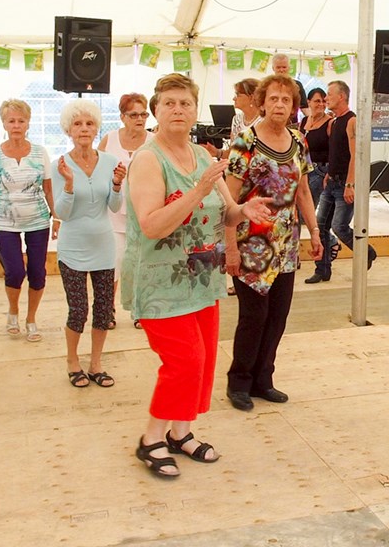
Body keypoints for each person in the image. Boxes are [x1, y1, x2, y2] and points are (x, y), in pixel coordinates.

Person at [124, 74, 272, 479]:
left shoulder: (204, 157)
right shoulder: (148, 159)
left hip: (201, 278)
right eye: (169, 103)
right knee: (183, 362)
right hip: (159, 283)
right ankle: (150, 439)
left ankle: (181, 432)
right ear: (156, 110)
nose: (177, 110)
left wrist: (247, 209)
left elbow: (226, 211)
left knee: (203, 362)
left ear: (194, 111)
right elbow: (152, 225)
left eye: (185, 103)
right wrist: (196, 190)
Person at [224, 74, 324, 411]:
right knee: (254, 315)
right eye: (273, 99)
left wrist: (315, 231)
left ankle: (263, 379)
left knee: (278, 315)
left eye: (286, 100)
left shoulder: (299, 141)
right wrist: (231, 248)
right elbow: (230, 199)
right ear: (261, 102)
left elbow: (305, 192)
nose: (279, 105)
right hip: (251, 243)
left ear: (294, 106)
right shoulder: (245, 142)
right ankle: (239, 381)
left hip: (287, 245)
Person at [52, 99, 126, 388]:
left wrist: (118, 185)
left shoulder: (109, 162)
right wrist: (69, 185)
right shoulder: (59, 164)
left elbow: (114, 204)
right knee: (78, 309)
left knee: (104, 309)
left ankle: (96, 363)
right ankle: (73, 361)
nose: (84, 129)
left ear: (97, 128)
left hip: (104, 246)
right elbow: (62, 213)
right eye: (78, 124)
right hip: (72, 248)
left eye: (89, 123)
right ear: (68, 129)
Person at [0, 99, 54, 343]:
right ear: (4, 123)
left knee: (38, 272)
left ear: (28, 124)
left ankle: (31, 319)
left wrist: (58, 217)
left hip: (38, 221)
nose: (16, 125)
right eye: (11, 121)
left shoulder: (40, 152)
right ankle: (13, 310)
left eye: (21, 121)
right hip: (4, 222)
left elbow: (48, 189)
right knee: (14, 271)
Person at [306, 80, 376, 284]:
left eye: (329, 94)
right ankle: (322, 270)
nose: (326, 98)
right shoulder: (334, 122)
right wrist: (329, 173)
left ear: (342, 96)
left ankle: (367, 253)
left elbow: (355, 156)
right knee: (321, 225)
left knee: (340, 226)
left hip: (346, 182)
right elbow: (336, 152)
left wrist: (350, 184)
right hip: (332, 180)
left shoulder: (351, 121)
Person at [98, 92, 150, 329]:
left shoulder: (153, 140)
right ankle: (107, 308)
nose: (140, 119)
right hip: (114, 212)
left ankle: (140, 309)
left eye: (143, 114)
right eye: (134, 115)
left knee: (141, 263)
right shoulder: (109, 140)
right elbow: (96, 172)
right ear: (122, 117)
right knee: (113, 262)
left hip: (144, 212)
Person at [299, 87, 332, 206]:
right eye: (317, 101)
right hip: (303, 169)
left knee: (308, 207)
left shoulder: (330, 123)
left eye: (324, 101)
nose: (321, 104)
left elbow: (335, 149)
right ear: (309, 102)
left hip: (320, 170)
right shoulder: (304, 121)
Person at [271, 52, 308, 123]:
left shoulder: (297, 85)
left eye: (284, 67)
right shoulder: (268, 85)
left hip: (291, 124)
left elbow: (304, 108)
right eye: (278, 67)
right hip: (270, 123)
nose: (281, 70)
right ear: (273, 68)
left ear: (289, 68)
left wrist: (312, 120)